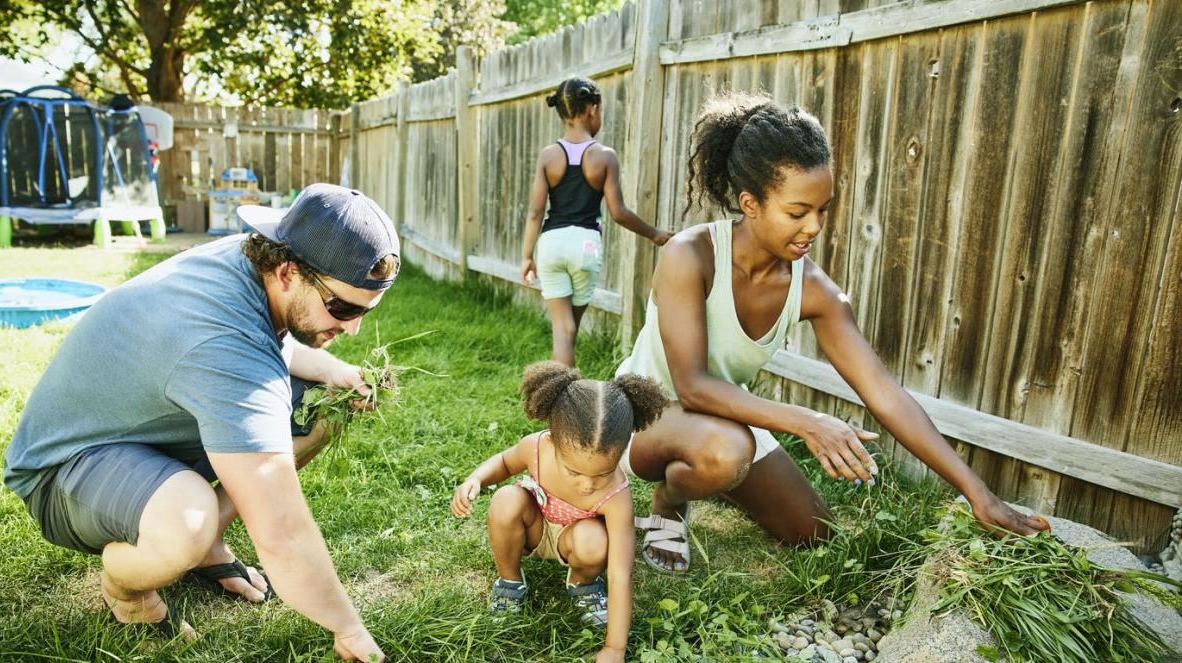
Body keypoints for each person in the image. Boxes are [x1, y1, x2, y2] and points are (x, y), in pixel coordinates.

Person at [616, 94, 1051, 574]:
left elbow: (884, 393)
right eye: (798, 211)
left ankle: (715, 474)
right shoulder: (690, 255)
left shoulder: (815, 291)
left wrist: (978, 493)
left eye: (823, 210)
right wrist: (807, 421)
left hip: (726, 422)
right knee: (727, 452)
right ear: (751, 204)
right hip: (644, 415)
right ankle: (671, 500)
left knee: (814, 533)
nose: (814, 227)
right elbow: (693, 386)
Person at [3, 183, 398, 662]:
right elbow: (283, 534)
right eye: (343, 308)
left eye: (365, 311)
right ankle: (127, 592)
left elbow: (272, 341)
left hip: (143, 427)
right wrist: (349, 628)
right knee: (187, 519)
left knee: (322, 407)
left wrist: (338, 373)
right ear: (289, 271)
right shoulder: (222, 344)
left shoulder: (254, 267)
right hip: (64, 470)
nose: (352, 328)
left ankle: (205, 545)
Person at [450, 361, 668, 663]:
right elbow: (503, 463)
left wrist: (614, 648)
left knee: (594, 541)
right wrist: (476, 478)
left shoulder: (617, 497)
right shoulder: (537, 447)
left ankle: (583, 583)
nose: (587, 485)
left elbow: (620, 573)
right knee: (505, 500)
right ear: (552, 442)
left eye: (602, 474)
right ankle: (510, 582)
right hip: (534, 527)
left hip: (576, 539)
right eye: (573, 471)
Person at [519, 76, 674, 367]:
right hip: (585, 246)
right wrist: (655, 234)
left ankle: (555, 398)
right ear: (592, 109)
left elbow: (534, 213)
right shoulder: (604, 157)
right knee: (569, 331)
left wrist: (527, 256)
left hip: (551, 244)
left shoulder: (549, 156)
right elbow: (618, 212)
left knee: (562, 332)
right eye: (599, 110)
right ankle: (566, 402)